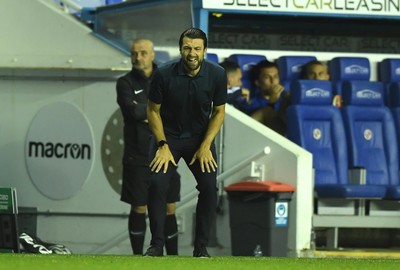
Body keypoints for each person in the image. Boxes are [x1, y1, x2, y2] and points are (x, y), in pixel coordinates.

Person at [145, 28, 227, 257]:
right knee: (157, 184)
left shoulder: (218, 74)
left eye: (197, 49)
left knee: (210, 188)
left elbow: (219, 112)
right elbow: (152, 110)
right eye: (187, 48)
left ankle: (200, 248)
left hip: (200, 139)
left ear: (205, 51)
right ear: (181, 49)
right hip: (168, 138)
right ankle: (156, 246)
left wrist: (205, 145)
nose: (192, 53)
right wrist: (162, 144)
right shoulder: (163, 74)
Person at [116, 38, 181, 256]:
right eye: (134, 53)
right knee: (139, 206)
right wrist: (155, 111)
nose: (138, 58)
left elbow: (173, 110)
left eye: (143, 53)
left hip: (165, 153)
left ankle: (172, 258)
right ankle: (137, 257)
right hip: (137, 156)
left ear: (153, 55)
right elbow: (131, 112)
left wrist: (146, 111)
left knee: (169, 206)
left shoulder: (165, 78)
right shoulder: (124, 83)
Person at [236, 59, 288, 135]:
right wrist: (272, 102)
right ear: (258, 82)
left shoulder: (285, 98)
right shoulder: (251, 103)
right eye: (267, 77)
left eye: (276, 76)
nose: (273, 81)